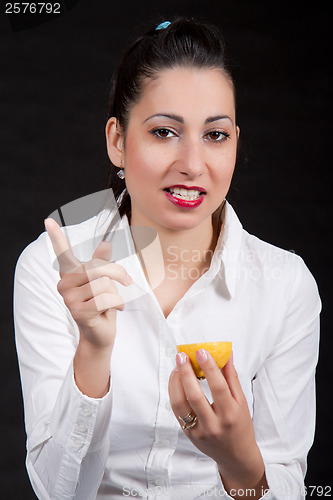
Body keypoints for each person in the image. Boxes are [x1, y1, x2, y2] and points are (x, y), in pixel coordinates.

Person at [14, 17, 321, 500]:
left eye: (215, 135)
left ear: (236, 142)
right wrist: (92, 352)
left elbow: (287, 482)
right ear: (118, 140)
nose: (193, 164)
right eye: (164, 132)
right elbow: (56, 492)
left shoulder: (286, 286)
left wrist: (240, 464)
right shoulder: (50, 267)